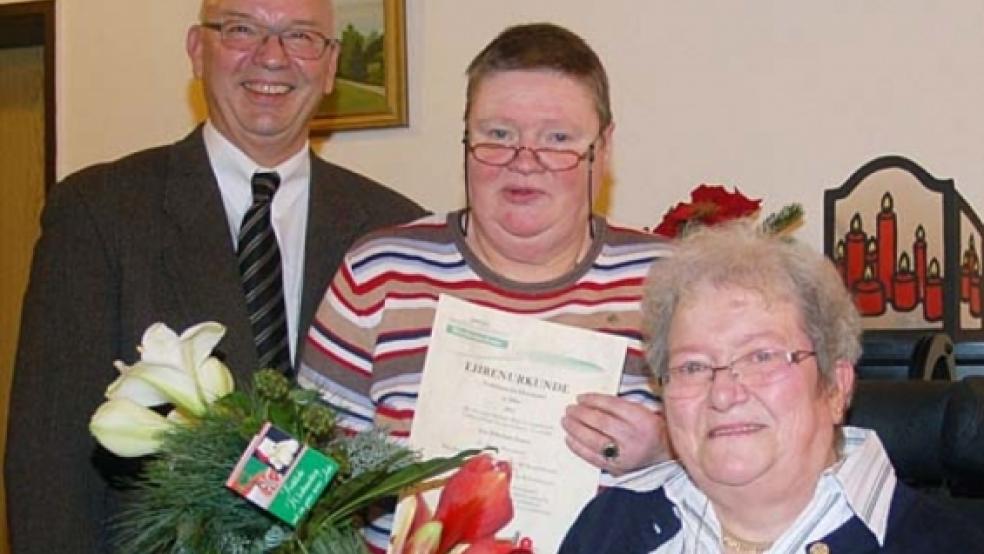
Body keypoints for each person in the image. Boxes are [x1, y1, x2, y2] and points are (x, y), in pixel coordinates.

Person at [5, 0, 423, 552]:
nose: (272, 57)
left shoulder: (395, 231)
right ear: (197, 50)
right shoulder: (99, 213)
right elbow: (49, 461)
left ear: (329, 66)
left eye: (300, 36)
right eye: (241, 29)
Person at [297, 22, 672, 551]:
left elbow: (751, 470)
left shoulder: (668, 281)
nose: (524, 161)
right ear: (467, 139)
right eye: (498, 135)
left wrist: (665, 450)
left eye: (557, 139)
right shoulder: (380, 273)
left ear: (603, 149)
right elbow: (302, 469)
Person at [560, 221, 984, 553]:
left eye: (761, 357)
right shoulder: (610, 526)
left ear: (836, 387)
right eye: (692, 366)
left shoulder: (947, 545)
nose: (723, 394)